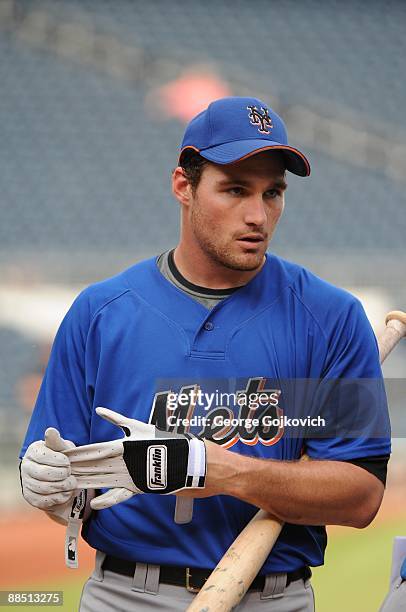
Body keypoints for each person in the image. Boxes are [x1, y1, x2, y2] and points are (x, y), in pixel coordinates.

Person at [20, 97, 391, 612]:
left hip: (274, 598)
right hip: (125, 595)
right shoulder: (101, 312)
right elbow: (66, 474)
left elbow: (361, 496)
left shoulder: (331, 317)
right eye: (235, 190)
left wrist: (217, 470)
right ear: (183, 186)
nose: (258, 215)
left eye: (273, 192)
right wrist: (57, 491)